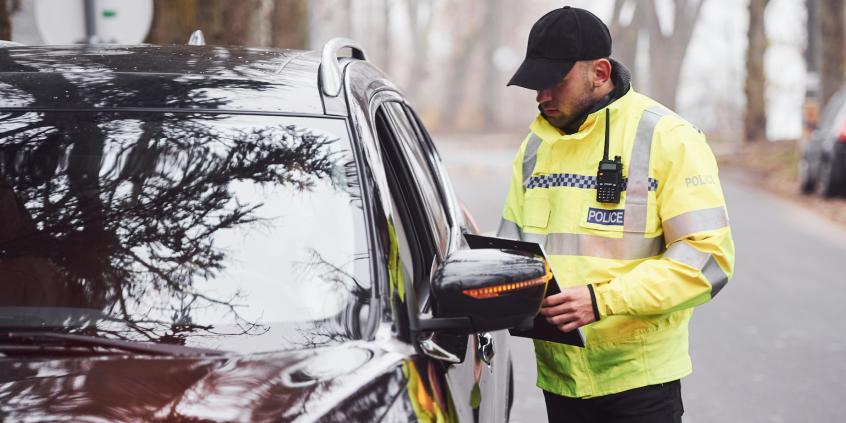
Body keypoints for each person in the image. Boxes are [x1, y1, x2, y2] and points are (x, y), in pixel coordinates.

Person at [498, 6, 735, 423]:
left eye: (554, 81)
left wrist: (601, 300)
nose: (541, 96)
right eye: (534, 84)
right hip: (560, 380)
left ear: (600, 73)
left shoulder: (669, 138)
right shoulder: (534, 148)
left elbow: (708, 260)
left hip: (639, 384)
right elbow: (511, 252)